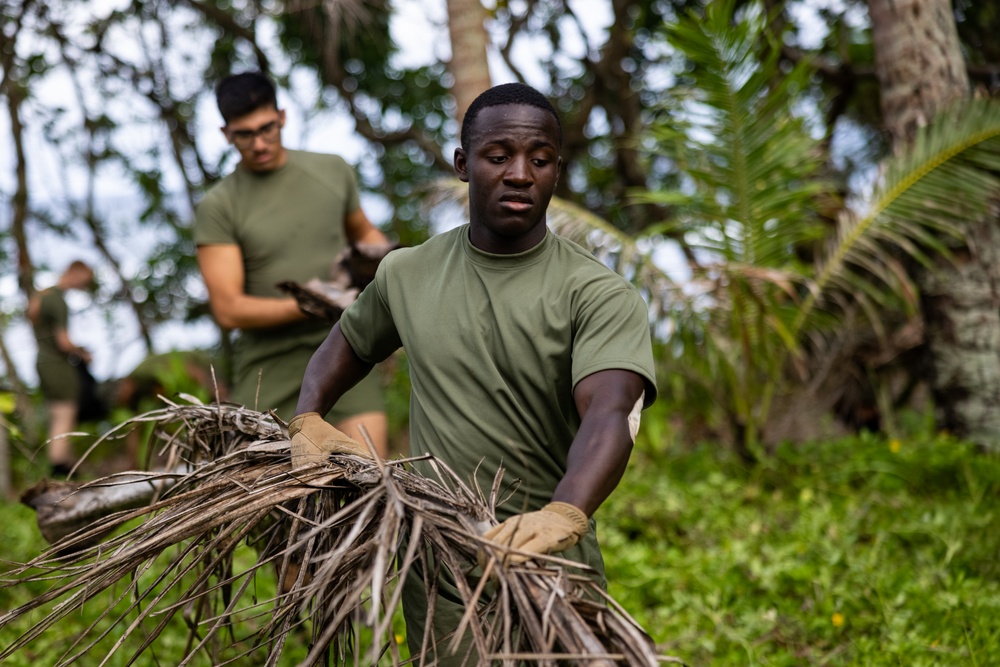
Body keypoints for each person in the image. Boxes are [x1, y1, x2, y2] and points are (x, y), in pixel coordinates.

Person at [289, 82, 658, 661]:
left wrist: (565, 513)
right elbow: (349, 344)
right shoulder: (406, 274)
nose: (519, 173)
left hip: (550, 572)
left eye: (539, 160)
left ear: (556, 171)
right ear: (463, 164)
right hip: (441, 574)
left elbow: (610, 413)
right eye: (498, 156)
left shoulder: (597, 293)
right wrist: (308, 415)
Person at [194, 71, 390, 456]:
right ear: (225, 134)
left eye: (267, 128)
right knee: (282, 503)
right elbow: (229, 309)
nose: (259, 143)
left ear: (282, 116)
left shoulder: (332, 170)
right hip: (270, 369)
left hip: (345, 349)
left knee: (372, 483)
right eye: (244, 134)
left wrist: (379, 261)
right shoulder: (219, 205)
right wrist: (313, 302)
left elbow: (365, 233)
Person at [27, 260, 96, 476]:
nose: (83, 287)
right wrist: (83, 353)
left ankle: (66, 466)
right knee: (65, 416)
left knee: (57, 416)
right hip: (58, 366)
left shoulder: (42, 296)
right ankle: (60, 470)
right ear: (74, 273)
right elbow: (64, 343)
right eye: (84, 281)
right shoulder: (58, 301)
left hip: (42, 363)